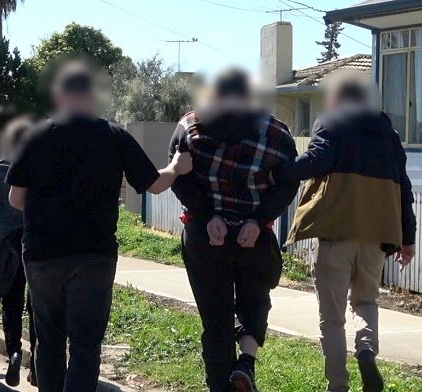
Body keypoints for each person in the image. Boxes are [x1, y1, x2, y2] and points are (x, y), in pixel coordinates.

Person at [6, 58, 193, 392]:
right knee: (86, 344)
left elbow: (15, 200)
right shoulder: (113, 136)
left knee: (48, 340)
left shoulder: (34, 136)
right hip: (94, 256)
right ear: (92, 97)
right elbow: (154, 184)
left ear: (59, 96)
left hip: (42, 255)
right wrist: (177, 165)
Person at [282, 72, 416, 392]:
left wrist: (278, 170)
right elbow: (403, 188)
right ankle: (367, 351)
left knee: (332, 317)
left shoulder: (332, 123)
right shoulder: (389, 134)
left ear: (338, 98)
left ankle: (338, 386)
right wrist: (408, 239)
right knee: (365, 302)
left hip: (335, 234)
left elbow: (316, 161)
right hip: (375, 237)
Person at [169, 68, 299, 392]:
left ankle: (219, 386)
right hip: (253, 237)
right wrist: (258, 219)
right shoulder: (276, 132)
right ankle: (246, 363)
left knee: (216, 322)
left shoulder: (190, 126)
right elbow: (287, 182)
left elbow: (178, 176)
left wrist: (207, 214)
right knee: (256, 302)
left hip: (204, 236)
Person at [0, 117, 37, 387]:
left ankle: (13, 352)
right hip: (35, 245)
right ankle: (37, 364)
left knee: (11, 305)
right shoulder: (40, 170)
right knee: (37, 306)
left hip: (6, 249)